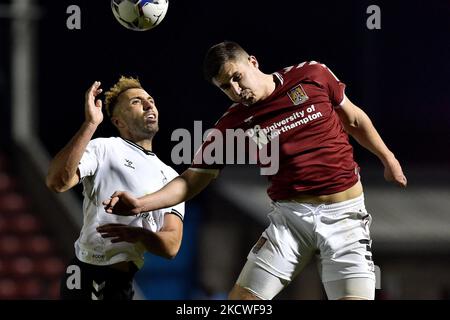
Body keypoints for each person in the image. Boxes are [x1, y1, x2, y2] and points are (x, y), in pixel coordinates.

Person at [103, 42, 407, 300]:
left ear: (252, 62)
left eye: (237, 77)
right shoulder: (232, 125)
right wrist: (142, 204)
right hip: (291, 223)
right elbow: (190, 181)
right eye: (226, 87)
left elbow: (353, 119)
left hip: (346, 218)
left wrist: (388, 158)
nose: (236, 90)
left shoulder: (312, 75)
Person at [46, 76, 184, 300]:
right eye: (136, 102)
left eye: (150, 100)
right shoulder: (105, 148)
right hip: (90, 274)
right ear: (119, 121)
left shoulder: (171, 177)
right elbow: (57, 182)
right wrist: (90, 124)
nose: (149, 104)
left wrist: (137, 234)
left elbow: (171, 246)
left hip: (122, 284)